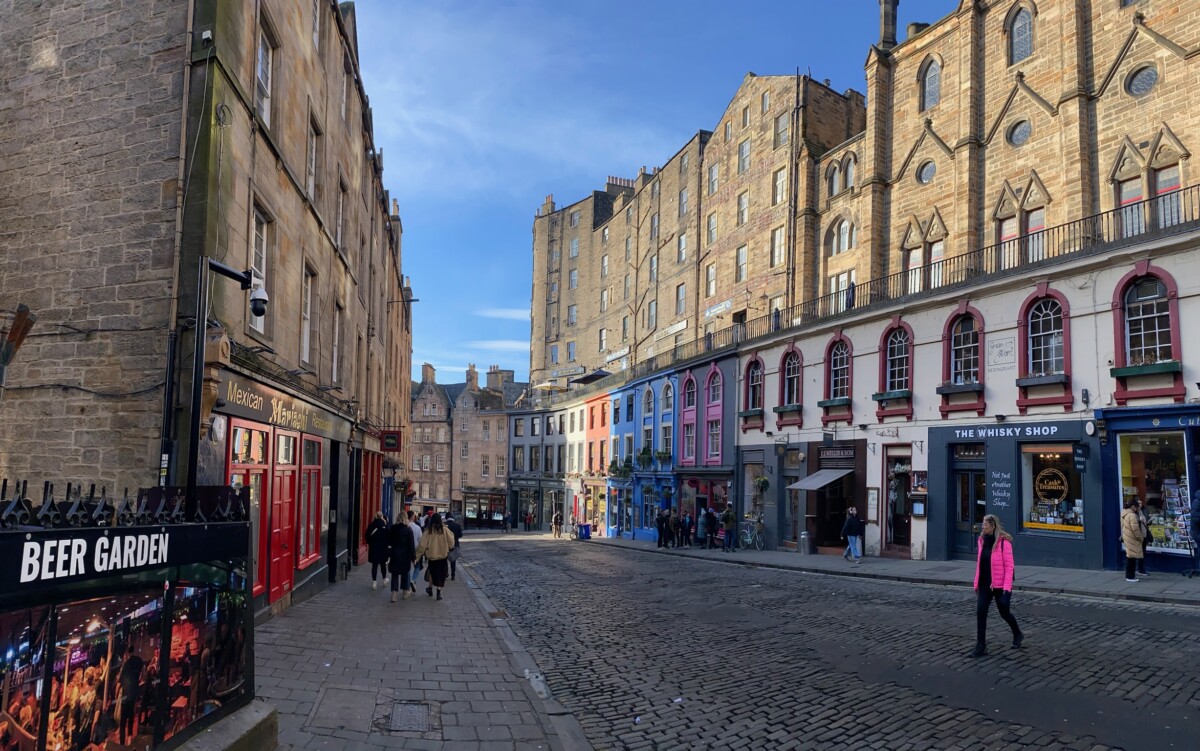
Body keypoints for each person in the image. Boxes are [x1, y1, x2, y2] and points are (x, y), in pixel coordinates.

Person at [971, 514, 1022, 658]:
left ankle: (1017, 633)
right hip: (985, 585)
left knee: (1004, 613)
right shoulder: (982, 541)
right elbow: (979, 565)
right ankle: (981, 646)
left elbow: (1009, 566)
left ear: (993, 526)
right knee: (980, 613)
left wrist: (1007, 588)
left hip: (999, 586)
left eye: (985, 525)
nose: (983, 527)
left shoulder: (1003, 543)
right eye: (982, 525)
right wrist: (976, 583)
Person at [414, 513, 454, 600]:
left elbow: (422, 544)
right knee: (441, 573)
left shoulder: (428, 531)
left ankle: (430, 588)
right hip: (443, 555)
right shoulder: (445, 530)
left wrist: (417, 556)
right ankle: (439, 592)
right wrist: (451, 547)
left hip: (432, 555)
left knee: (432, 571)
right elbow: (451, 541)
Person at [117, 643, 145, 744]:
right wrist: (139, 679)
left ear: (127, 653)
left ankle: (122, 743)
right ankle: (129, 737)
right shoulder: (139, 661)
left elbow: (119, 683)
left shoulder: (126, 664)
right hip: (134, 693)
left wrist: (116, 696)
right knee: (131, 715)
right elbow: (144, 673)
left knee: (123, 720)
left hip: (125, 696)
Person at [388, 512, 416, 602]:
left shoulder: (393, 528)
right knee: (405, 573)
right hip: (405, 555)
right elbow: (411, 546)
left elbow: (389, 542)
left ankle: (394, 594)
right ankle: (405, 592)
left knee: (395, 574)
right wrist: (413, 558)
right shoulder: (408, 530)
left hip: (395, 554)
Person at [1121, 498, 1145, 583]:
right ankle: (1130, 576)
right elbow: (1135, 529)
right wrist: (1140, 538)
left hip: (1128, 538)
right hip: (1133, 539)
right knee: (1132, 559)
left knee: (1130, 557)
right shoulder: (1132, 515)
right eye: (1136, 507)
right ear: (1133, 506)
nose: (1136, 509)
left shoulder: (1124, 514)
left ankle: (1129, 576)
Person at [365, 511, 389, 590]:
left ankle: (374, 582)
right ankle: (384, 579)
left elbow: (367, 536)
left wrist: (371, 543)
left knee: (374, 565)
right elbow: (389, 537)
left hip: (374, 548)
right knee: (383, 565)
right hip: (383, 548)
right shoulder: (385, 525)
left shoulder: (371, 525)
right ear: (381, 516)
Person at [407, 510, 423, 594]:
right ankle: (413, 580)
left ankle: (408, 584)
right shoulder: (417, 527)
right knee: (417, 566)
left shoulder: (405, 526)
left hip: (406, 550)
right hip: (416, 550)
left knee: (407, 568)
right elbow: (420, 540)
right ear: (413, 517)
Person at [445, 512, 463, 580]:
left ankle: (446, 573)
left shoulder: (445, 525)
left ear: (446, 518)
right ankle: (453, 575)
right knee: (453, 560)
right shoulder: (457, 525)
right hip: (455, 545)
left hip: (445, 545)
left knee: (444, 560)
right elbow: (460, 535)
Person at [1136, 497, 1152, 576]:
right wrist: (1139, 520)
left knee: (1143, 553)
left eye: (1141, 503)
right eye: (1138, 503)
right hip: (1139, 535)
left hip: (1144, 534)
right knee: (1139, 553)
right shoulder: (1133, 513)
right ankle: (1139, 569)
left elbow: (1146, 521)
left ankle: (1141, 569)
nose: (1140, 505)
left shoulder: (1143, 511)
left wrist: (1148, 522)